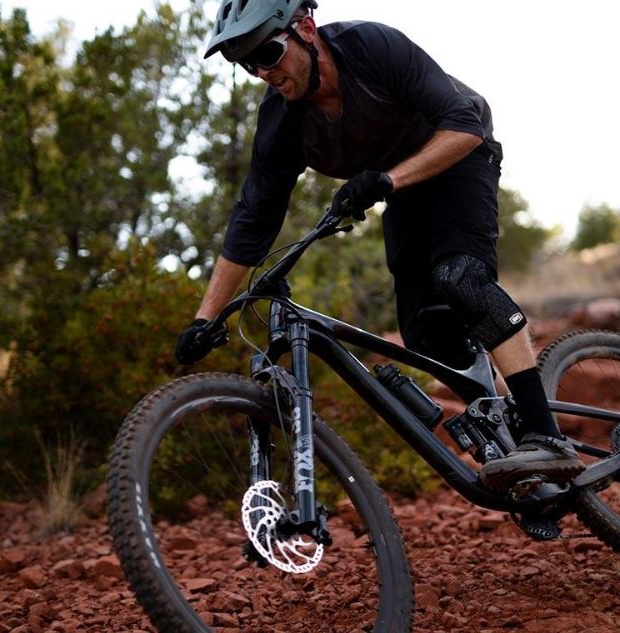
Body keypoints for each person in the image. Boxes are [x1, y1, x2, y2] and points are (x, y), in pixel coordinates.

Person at [175, 0, 585, 493]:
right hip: (399, 188)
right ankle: (505, 425)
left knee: (460, 278)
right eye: (247, 64)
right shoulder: (283, 121)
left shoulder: (372, 47)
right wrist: (205, 318)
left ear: (306, 27)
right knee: (426, 336)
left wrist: (387, 180)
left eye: (269, 52)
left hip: (457, 152)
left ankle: (545, 434)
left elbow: (465, 124)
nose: (264, 72)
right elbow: (252, 219)